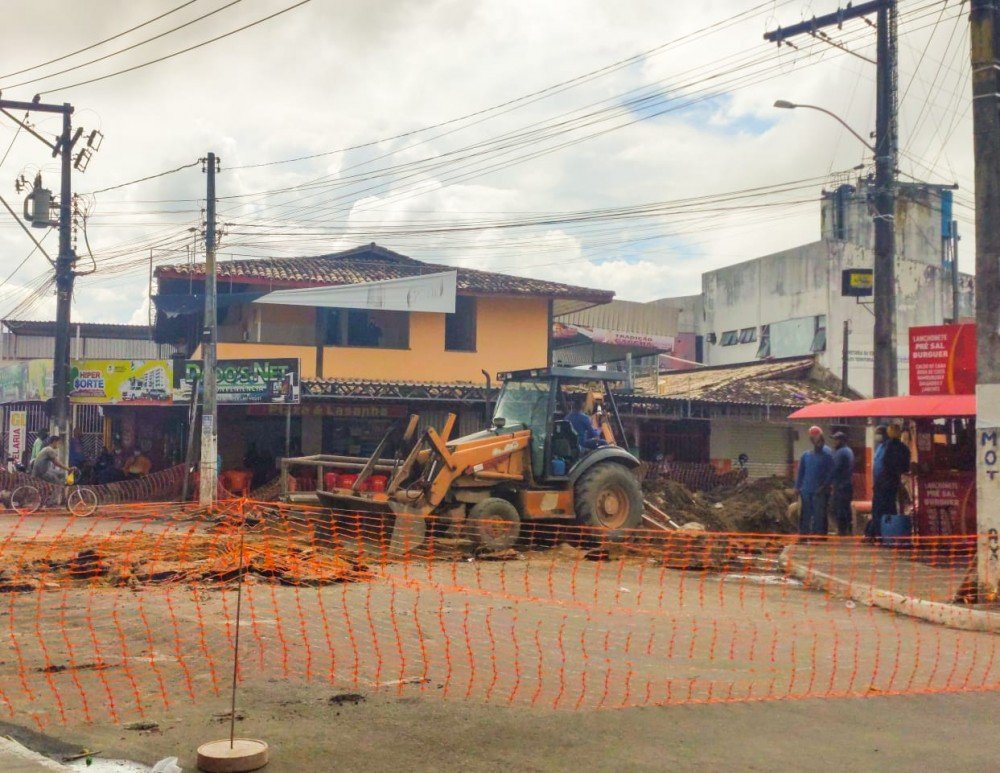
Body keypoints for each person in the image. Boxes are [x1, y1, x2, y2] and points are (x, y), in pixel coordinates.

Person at [868, 422, 911, 541]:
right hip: (884, 484)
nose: (877, 436)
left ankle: (881, 534)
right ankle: (881, 534)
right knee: (884, 509)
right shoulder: (884, 447)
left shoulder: (889, 447)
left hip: (885, 484)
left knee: (883, 510)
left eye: (879, 434)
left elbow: (888, 465)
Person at [795, 426, 834, 536]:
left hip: (819, 491)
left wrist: (824, 486)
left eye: (816, 437)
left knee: (819, 515)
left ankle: (818, 535)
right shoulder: (806, 456)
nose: (815, 441)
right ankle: (803, 534)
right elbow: (801, 473)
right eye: (813, 437)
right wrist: (797, 488)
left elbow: (830, 473)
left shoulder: (827, 454)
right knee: (805, 514)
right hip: (807, 490)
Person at [830, 431, 855, 536]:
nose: (834, 442)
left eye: (836, 440)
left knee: (840, 508)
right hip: (847, 484)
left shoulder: (841, 452)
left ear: (842, 440)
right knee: (846, 507)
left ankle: (842, 531)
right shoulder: (848, 451)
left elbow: (835, 468)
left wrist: (828, 481)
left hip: (841, 485)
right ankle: (849, 529)